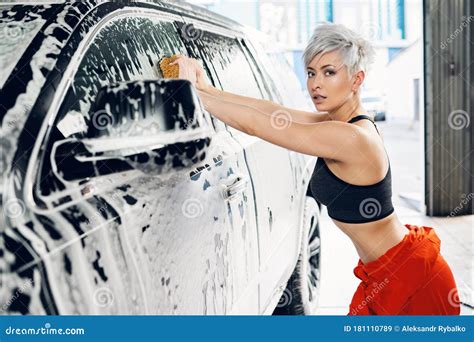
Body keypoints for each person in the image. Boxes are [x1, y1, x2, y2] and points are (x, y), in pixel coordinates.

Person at [171, 22, 461, 315]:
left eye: (329, 72)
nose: (315, 84)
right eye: (311, 73)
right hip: (383, 273)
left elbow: (259, 124)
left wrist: (187, 92)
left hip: (414, 281)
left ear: (356, 79)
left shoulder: (352, 138)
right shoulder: (336, 124)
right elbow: (272, 112)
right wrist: (205, 88)